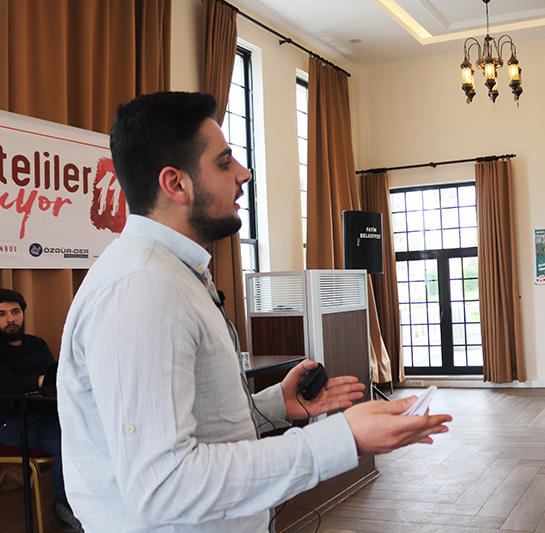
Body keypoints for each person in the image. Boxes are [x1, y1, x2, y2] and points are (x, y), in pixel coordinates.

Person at [57, 91, 452, 532]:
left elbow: (195, 425)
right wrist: (341, 439)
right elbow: (164, 486)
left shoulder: (173, 273)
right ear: (176, 184)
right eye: (224, 162)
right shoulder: (143, 288)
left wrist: (274, 404)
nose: (243, 174)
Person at [0, 289, 81, 531]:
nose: (10, 319)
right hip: (11, 422)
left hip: (47, 414)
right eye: (2, 314)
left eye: (15, 312)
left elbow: (54, 380)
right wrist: (37, 380)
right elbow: (6, 383)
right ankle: (63, 507)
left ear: (23, 313)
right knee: (67, 441)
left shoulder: (37, 344)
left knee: (91, 431)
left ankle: (92, 503)